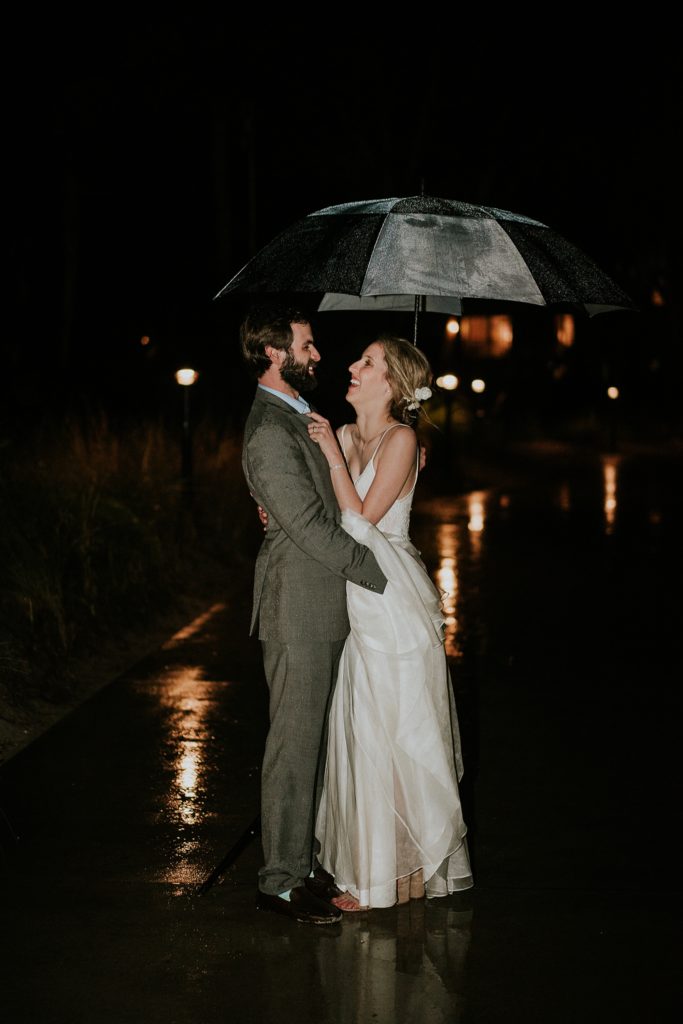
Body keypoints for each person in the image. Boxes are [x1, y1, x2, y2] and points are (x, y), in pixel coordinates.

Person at [307, 334, 473, 910]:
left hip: (388, 595)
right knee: (362, 729)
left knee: (396, 733)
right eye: (356, 358)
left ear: (394, 384)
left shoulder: (403, 438)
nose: (351, 366)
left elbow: (363, 516)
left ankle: (389, 877)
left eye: (367, 362)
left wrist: (330, 453)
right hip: (354, 592)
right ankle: (382, 869)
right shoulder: (351, 434)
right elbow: (324, 508)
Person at [240, 304, 388, 925]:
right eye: (307, 344)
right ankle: (279, 881)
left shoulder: (301, 417)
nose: (318, 354)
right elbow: (303, 523)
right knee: (294, 747)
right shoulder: (268, 431)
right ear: (274, 353)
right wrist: (379, 574)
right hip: (297, 607)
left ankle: (304, 863)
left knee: (320, 746)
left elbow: (329, 499)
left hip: (325, 602)